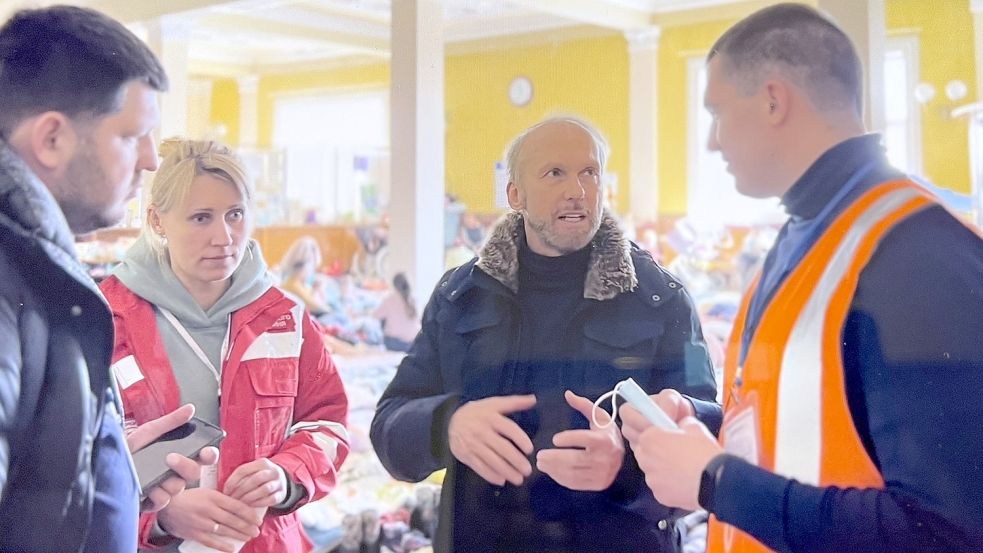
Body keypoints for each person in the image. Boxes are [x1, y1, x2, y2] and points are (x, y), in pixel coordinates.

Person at [620, 4, 983, 552]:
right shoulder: (805, 237)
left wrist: (716, 481)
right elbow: (799, 427)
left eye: (717, 112)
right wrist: (700, 424)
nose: (713, 142)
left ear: (772, 100)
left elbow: (945, 532)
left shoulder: (916, 254)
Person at [371, 115, 717, 552]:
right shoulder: (460, 296)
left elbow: (707, 433)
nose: (577, 189)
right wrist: (447, 424)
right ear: (515, 194)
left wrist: (625, 470)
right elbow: (389, 424)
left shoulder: (661, 299)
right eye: (555, 173)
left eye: (589, 172)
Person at [0, 6, 215, 553]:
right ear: (52, 139)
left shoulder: (36, 267)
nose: (149, 160)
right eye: (131, 136)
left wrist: (104, 473)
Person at [99, 138, 351, 553]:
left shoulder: (285, 316)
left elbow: (327, 422)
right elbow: (84, 455)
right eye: (201, 218)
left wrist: (286, 475)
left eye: (235, 214)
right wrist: (158, 515)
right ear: (158, 221)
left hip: (264, 542)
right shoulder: (108, 318)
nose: (224, 236)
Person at [372, 272, 421, 352]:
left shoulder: (390, 300)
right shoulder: (414, 299)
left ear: (394, 285)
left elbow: (375, 315)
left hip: (395, 343)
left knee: (383, 320)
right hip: (414, 343)